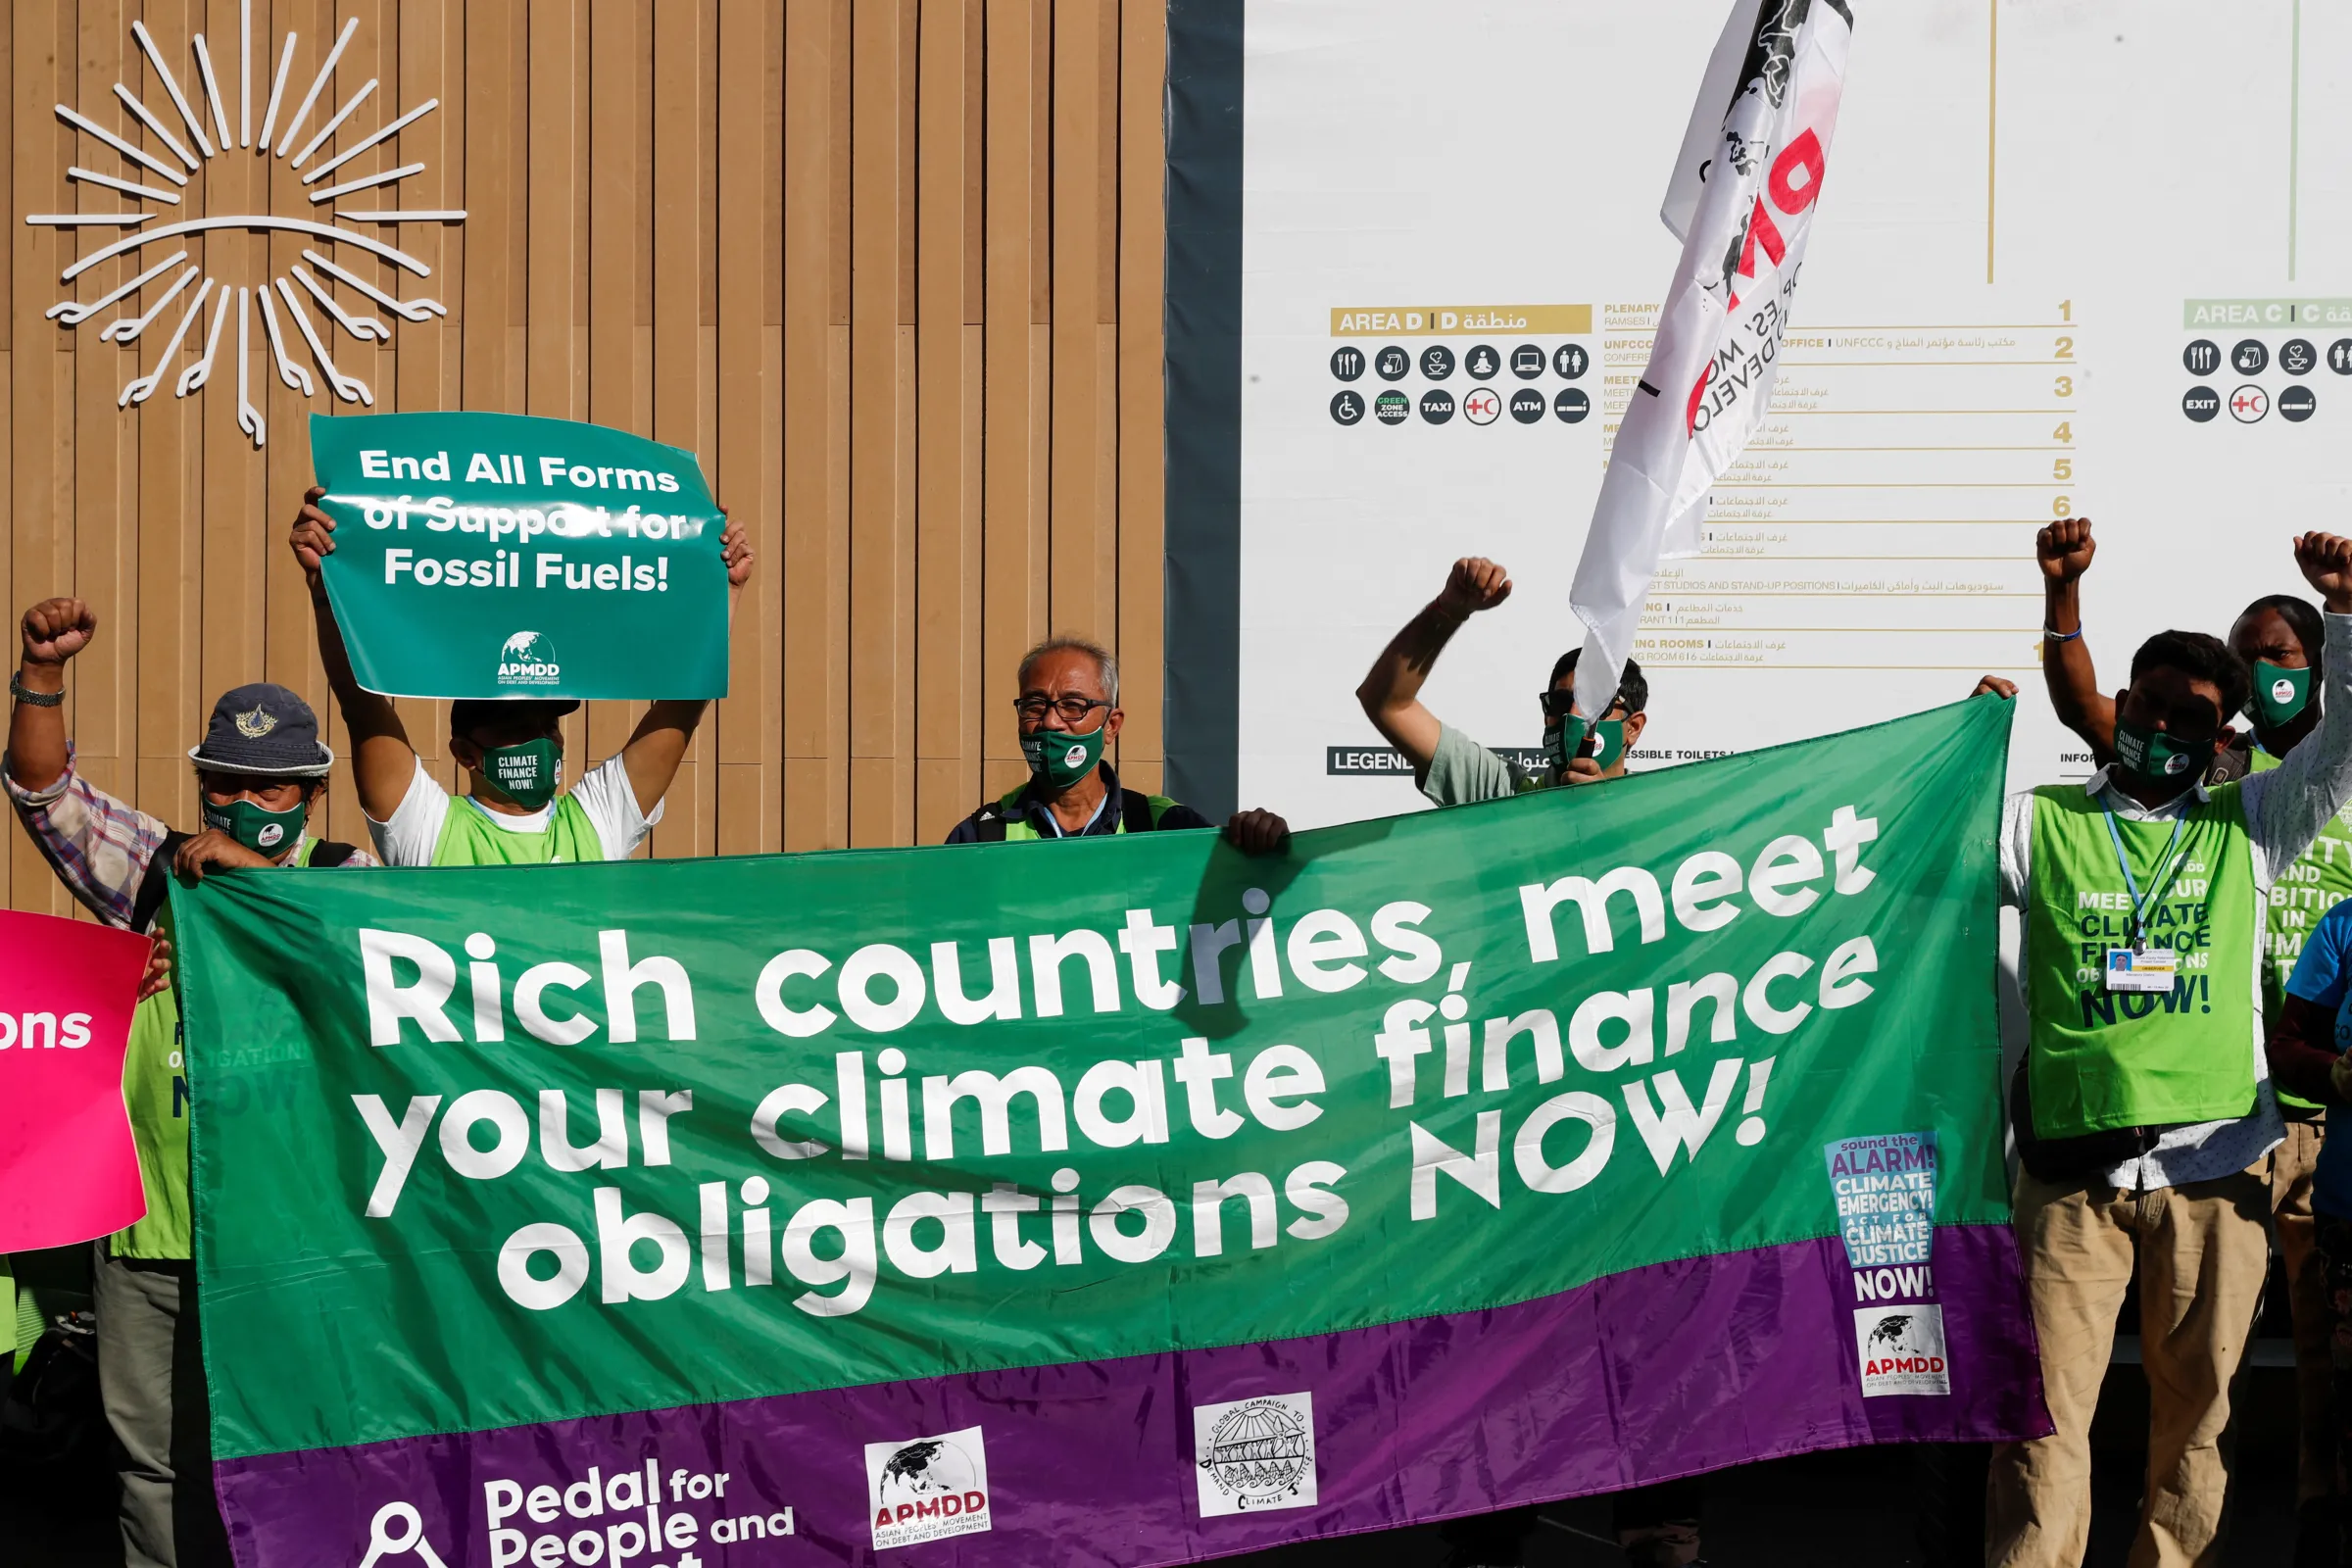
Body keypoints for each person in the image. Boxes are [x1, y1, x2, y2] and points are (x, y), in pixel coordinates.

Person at [1981, 530, 2352, 1568]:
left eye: (2190, 717)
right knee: (2039, 1421)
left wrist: (2346, 611)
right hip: (2071, 1178)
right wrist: (1962, 746)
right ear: (2126, 702)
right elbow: (1906, 861)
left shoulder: (2256, 823)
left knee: (2196, 1426)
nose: (2160, 726)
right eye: (2147, 704)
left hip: (2214, 1173)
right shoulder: (2036, 824)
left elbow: (2345, 741)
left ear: (2219, 732)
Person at [6, 596, 376, 1568]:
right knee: (153, 1462)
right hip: (151, 1233)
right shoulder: (156, 873)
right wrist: (40, 674)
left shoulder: (347, 878)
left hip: (292, 1242)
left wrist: (255, 881)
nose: (242, 804)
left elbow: (376, 970)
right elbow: (48, 796)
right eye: (224, 782)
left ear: (309, 798)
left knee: (296, 1447)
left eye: (270, 789)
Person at [289, 485, 754, 865]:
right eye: (517, 727)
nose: (542, 737)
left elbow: (684, 706)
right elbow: (361, 707)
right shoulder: (427, 828)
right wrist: (326, 593)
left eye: (548, 724)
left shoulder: (596, 823)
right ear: (464, 753)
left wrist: (720, 592)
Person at [943, 635, 1289, 851]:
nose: (1050, 721)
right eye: (1035, 705)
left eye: (1073, 706)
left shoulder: (1163, 827)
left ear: (1112, 725)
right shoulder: (982, 836)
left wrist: (1264, 846)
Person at [1355, 556, 1645, 808]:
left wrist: (1605, 813)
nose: (1571, 714)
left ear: (1633, 727)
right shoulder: (1503, 794)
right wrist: (1448, 612)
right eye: (1558, 702)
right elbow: (1387, 704)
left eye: (1594, 703)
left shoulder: (1665, 822)